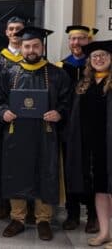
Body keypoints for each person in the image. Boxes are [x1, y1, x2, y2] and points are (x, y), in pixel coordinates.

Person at [0, 27, 71, 241]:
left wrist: (59, 113)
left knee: (45, 172)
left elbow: (67, 102)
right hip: (16, 133)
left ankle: (43, 219)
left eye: (35, 46)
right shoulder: (9, 72)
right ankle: (17, 218)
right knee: (16, 171)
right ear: (21, 47)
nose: (31, 50)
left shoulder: (56, 73)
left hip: (45, 134)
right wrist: (4, 112)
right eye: (27, 46)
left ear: (42, 47)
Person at [65, 40, 112, 247]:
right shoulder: (84, 85)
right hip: (92, 147)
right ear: (89, 61)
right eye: (94, 57)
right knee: (100, 190)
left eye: (103, 56)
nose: (99, 59)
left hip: (109, 143)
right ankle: (105, 232)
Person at [59, 25, 100, 233]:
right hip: (68, 129)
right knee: (70, 171)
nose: (76, 43)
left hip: (92, 129)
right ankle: (72, 213)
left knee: (91, 172)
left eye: (81, 39)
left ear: (89, 41)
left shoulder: (96, 66)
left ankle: (93, 215)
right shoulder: (62, 66)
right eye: (73, 39)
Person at [0, 14, 27, 219]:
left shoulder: (32, 56)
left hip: (30, 122)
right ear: (6, 32)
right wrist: (1, 113)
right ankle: (4, 203)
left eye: (18, 29)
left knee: (28, 162)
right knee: (4, 162)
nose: (14, 33)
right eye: (11, 29)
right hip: (5, 120)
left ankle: (27, 204)